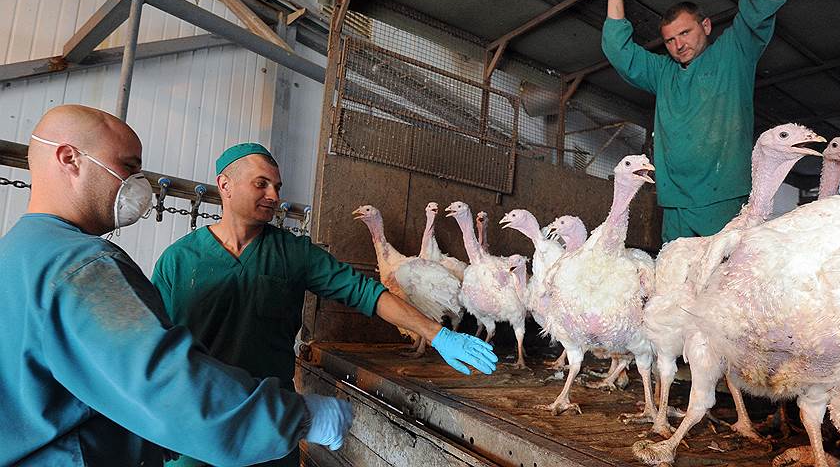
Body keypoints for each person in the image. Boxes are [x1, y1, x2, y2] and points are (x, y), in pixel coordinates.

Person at [0, 104, 356, 466]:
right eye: (128, 166)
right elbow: (162, 381)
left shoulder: (16, 253)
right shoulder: (82, 267)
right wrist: (300, 416)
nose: (138, 182)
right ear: (70, 159)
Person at [151, 143, 498, 467]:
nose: (274, 196)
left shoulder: (294, 253)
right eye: (261, 184)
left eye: (277, 187)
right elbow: (152, 350)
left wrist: (438, 335)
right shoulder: (178, 261)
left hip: (271, 431)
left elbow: (365, 292)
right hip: (195, 433)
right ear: (225, 185)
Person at [601, 0, 799, 243]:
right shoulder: (663, 72)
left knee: (724, 271)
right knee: (675, 272)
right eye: (669, 40)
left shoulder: (733, 53)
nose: (678, 45)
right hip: (675, 201)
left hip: (724, 197)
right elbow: (621, 54)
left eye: (685, 33)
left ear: (705, 26)